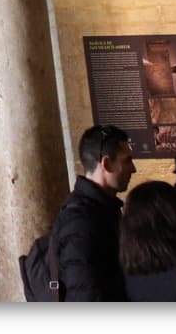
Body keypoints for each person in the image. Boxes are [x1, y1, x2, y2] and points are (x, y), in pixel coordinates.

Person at [52, 124, 136, 301]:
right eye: (127, 160)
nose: (133, 168)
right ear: (106, 164)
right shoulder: (80, 223)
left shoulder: (102, 209)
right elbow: (83, 294)